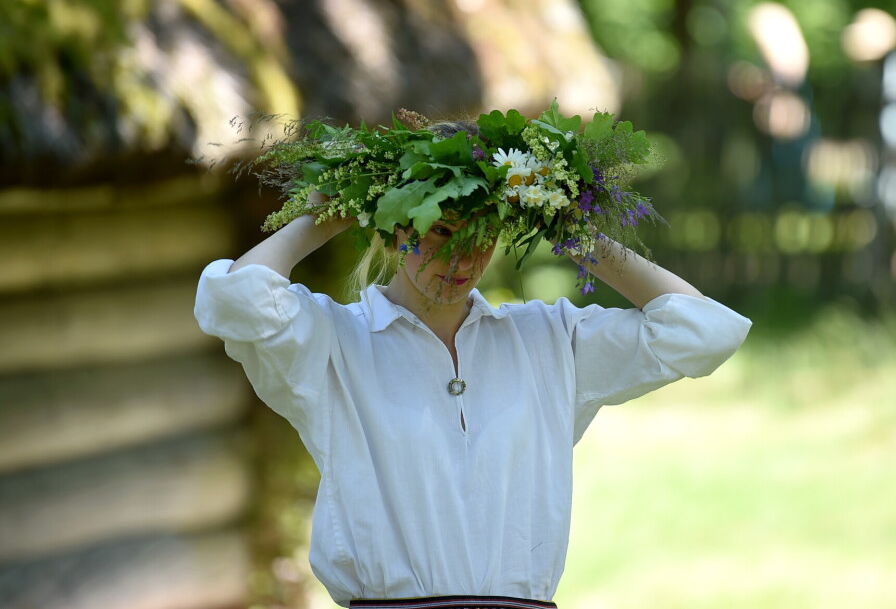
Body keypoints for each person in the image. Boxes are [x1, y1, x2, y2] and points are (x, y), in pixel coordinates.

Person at [194, 116, 751, 609]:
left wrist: (575, 232)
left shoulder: (549, 340)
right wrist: (332, 213)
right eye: (442, 230)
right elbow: (232, 301)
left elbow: (703, 333)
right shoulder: (335, 343)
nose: (462, 258)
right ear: (394, 227)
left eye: (483, 234)